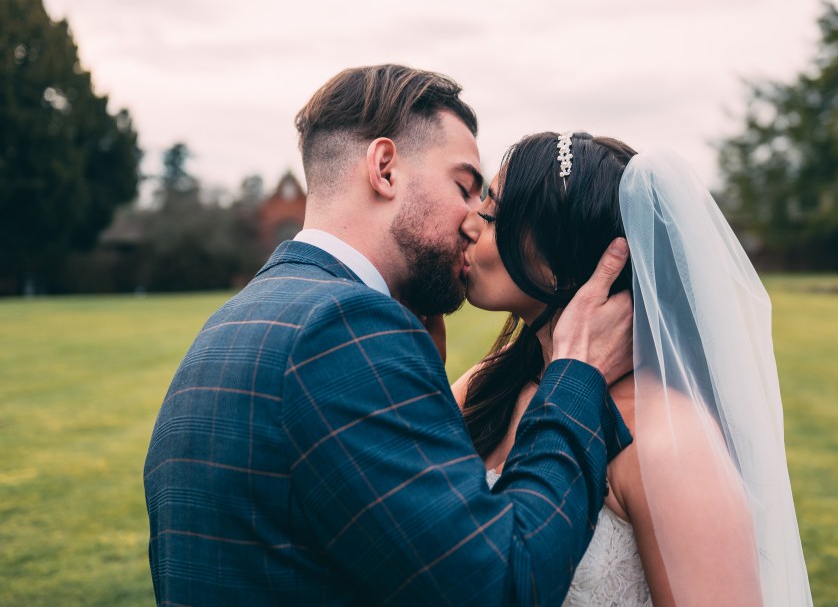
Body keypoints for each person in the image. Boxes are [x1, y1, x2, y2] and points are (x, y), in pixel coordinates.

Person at [142, 67, 635, 606]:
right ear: (385, 168)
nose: (475, 220)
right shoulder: (346, 331)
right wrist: (576, 378)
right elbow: (502, 586)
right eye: (464, 187)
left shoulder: (235, 321)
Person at [454, 131, 814, 605]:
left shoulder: (667, 440)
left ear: (561, 256)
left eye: (492, 213)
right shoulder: (486, 387)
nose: (469, 225)